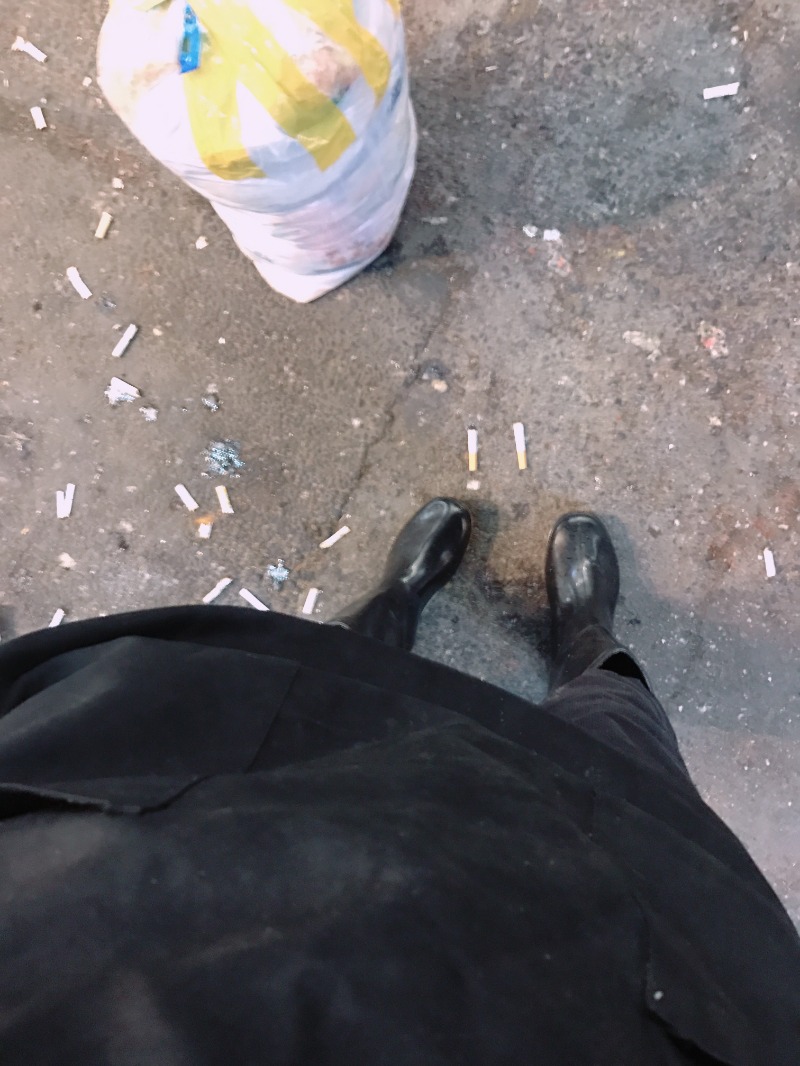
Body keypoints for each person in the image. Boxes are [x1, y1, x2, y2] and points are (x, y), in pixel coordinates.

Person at [0, 499, 797, 1065]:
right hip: (590, 965)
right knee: (614, 749)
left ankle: (394, 609)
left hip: (160, 859)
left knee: (325, 685)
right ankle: (589, 645)